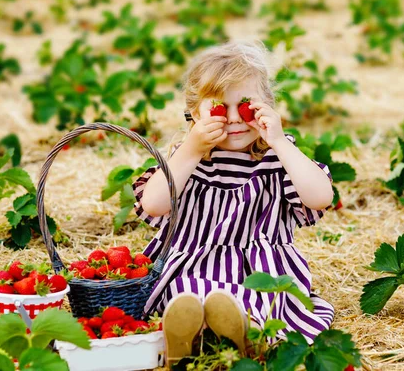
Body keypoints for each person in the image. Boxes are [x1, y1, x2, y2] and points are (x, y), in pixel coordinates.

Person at [131, 40, 335, 365]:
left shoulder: (276, 158)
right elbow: (154, 204)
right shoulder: (189, 159)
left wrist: (280, 142)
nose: (234, 120)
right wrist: (192, 149)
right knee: (181, 292)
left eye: (245, 106)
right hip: (192, 264)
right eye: (217, 109)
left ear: (267, 106)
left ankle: (244, 333)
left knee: (263, 297)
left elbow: (321, 196)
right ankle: (186, 335)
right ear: (194, 114)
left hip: (259, 269)